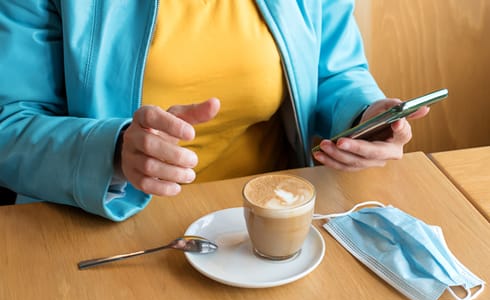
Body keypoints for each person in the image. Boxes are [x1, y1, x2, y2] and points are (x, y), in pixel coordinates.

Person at [0, 1, 428, 221]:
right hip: (108, 227)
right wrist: (112, 153)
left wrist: (365, 119)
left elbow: (336, 72)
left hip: (272, 221)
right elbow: (10, 125)